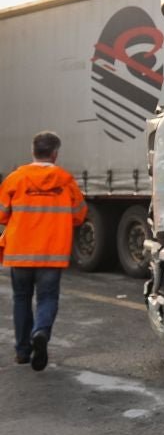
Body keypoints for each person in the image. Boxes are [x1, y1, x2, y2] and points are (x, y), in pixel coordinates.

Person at [1, 131, 87, 371]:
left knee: (21, 299)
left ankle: (21, 352)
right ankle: (40, 332)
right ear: (55, 153)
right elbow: (80, 214)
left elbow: (1, 214)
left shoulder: (16, 179)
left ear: (33, 151)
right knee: (47, 298)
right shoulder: (65, 180)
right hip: (52, 253)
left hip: (20, 253)